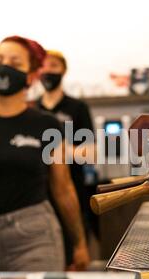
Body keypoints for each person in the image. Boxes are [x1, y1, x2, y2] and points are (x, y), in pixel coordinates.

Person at [0, 36, 90, 272]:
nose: (4, 68)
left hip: (36, 236)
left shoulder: (48, 125)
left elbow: (63, 188)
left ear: (31, 76)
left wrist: (80, 243)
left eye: (15, 63)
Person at [37, 50, 98, 267]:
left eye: (53, 66)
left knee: (74, 258)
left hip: (73, 191)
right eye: (43, 66)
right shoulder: (32, 109)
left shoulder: (77, 108)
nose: (47, 71)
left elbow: (90, 152)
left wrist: (56, 152)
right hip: (39, 197)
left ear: (63, 70)